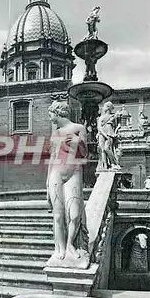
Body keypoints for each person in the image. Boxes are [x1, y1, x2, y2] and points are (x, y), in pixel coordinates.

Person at [46, 101, 89, 265]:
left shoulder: (79, 128)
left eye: (51, 114)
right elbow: (52, 158)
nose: (50, 118)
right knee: (57, 216)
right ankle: (60, 249)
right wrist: (46, 183)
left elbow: (85, 156)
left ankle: (70, 243)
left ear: (57, 113)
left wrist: (79, 141)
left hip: (74, 172)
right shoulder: (55, 133)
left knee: (75, 214)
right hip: (56, 174)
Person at [97, 102, 121, 171]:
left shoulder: (113, 117)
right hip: (102, 134)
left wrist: (116, 132)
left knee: (107, 148)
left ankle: (113, 163)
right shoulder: (101, 117)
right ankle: (105, 166)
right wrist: (103, 134)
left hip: (110, 133)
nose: (103, 108)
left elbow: (117, 125)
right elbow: (99, 127)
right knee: (102, 150)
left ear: (108, 108)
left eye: (104, 107)